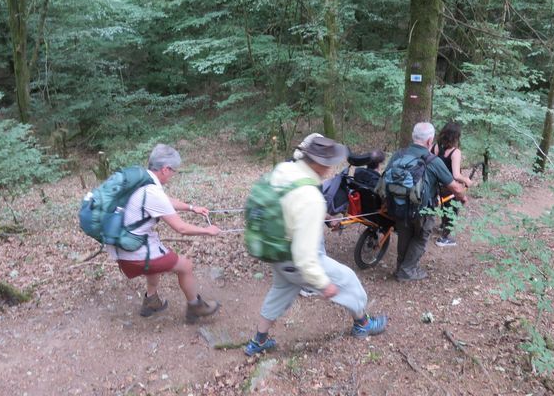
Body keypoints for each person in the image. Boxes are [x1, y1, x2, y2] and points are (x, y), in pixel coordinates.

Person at [244, 136, 388, 356]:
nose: (332, 167)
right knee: (348, 279)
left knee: (281, 291)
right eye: (330, 162)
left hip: (275, 251)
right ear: (320, 164)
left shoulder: (285, 169)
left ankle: (258, 340)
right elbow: (305, 257)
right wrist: (322, 283)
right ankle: (363, 324)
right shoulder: (311, 197)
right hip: (294, 258)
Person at [106, 143, 221, 322]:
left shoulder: (140, 181)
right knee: (185, 266)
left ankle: (151, 301)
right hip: (134, 253)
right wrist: (207, 231)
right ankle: (195, 307)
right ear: (166, 169)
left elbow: (165, 201)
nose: (173, 175)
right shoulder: (152, 191)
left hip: (123, 246)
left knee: (156, 260)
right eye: (174, 171)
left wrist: (192, 208)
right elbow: (181, 228)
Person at [386, 122, 467, 282]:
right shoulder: (433, 161)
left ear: (413, 137)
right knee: (421, 237)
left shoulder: (398, 155)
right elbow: (455, 188)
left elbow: (385, 177)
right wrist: (463, 195)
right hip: (422, 209)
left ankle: (401, 267)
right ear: (430, 141)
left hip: (398, 204)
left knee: (404, 234)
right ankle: (407, 270)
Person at [431, 122, 473, 247]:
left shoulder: (434, 147)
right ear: (456, 137)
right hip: (448, 186)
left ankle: (443, 225)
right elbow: (456, 175)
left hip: (435, 185)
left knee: (445, 204)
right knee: (453, 207)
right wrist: (466, 180)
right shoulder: (455, 152)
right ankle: (444, 237)